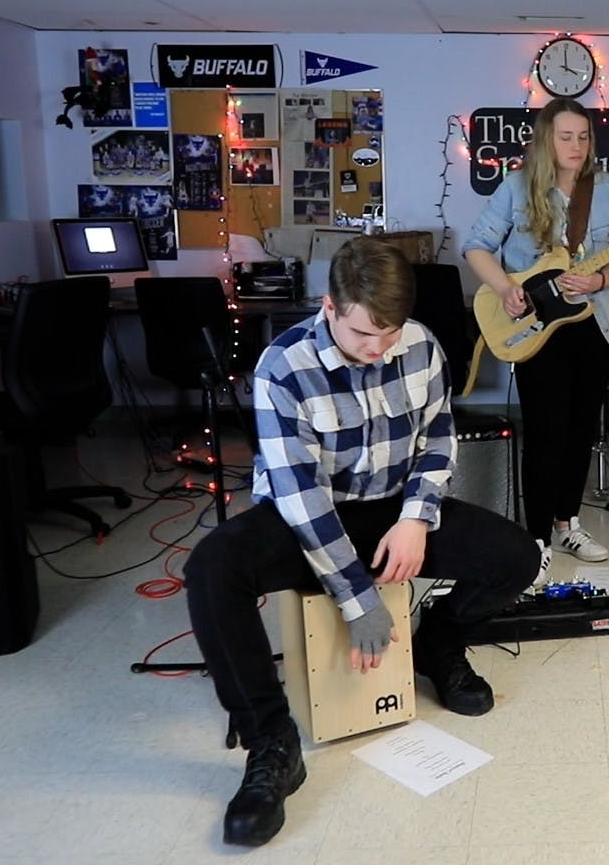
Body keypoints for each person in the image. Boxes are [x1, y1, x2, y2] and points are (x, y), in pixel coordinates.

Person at [185, 237, 540, 847]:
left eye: (389, 334)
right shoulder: (282, 366)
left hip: (394, 508)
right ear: (330, 308)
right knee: (212, 569)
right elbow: (300, 497)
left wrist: (416, 518)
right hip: (308, 518)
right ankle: (272, 742)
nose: (378, 351)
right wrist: (359, 600)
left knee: (517, 557)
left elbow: (437, 439)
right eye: (360, 336)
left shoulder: (422, 343)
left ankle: (440, 644)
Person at [462, 98, 609, 568]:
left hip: (594, 325)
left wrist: (599, 280)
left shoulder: (608, 188)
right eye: (566, 136)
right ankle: (535, 540)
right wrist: (504, 288)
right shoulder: (516, 188)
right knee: (544, 434)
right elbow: (476, 247)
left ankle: (567, 526)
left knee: (581, 432)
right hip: (538, 329)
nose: (576, 146)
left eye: (583, 137)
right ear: (545, 139)